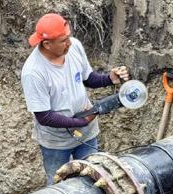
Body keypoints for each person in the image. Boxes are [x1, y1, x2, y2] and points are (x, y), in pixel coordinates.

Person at [21, 13, 129, 184]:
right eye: (63, 40)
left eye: (69, 37)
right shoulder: (33, 72)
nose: (69, 42)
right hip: (56, 142)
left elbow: (88, 79)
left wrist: (109, 78)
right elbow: (44, 116)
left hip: (86, 135)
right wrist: (80, 121)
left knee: (93, 180)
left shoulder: (74, 47)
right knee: (59, 186)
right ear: (47, 44)